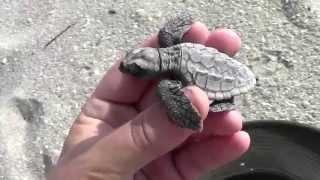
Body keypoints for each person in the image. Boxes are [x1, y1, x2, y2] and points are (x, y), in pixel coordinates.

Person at [48, 21, 250, 180]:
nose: (126, 68)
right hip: (213, 63)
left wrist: (186, 120)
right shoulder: (170, 42)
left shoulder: (167, 83)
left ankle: (224, 104)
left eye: (135, 69)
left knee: (199, 102)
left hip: (224, 79)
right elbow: (178, 24)